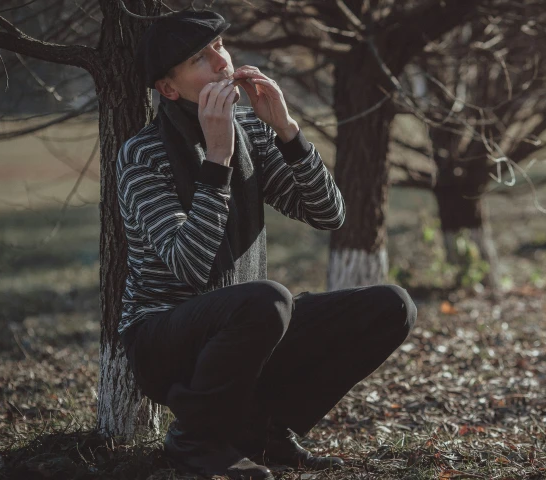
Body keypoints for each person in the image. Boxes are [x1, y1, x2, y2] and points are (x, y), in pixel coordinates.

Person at [115, 10, 417, 480]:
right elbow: (188, 266)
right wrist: (217, 160)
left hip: (246, 330)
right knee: (268, 299)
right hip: (165, 342)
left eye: (219, 45)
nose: (220, 62)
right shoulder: (142, 154)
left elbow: (328, 214)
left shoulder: (250, 130)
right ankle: (196, 441)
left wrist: (287, 130)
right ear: (169, 89)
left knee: (391, 305)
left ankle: (269, 432)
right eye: (200, 57)